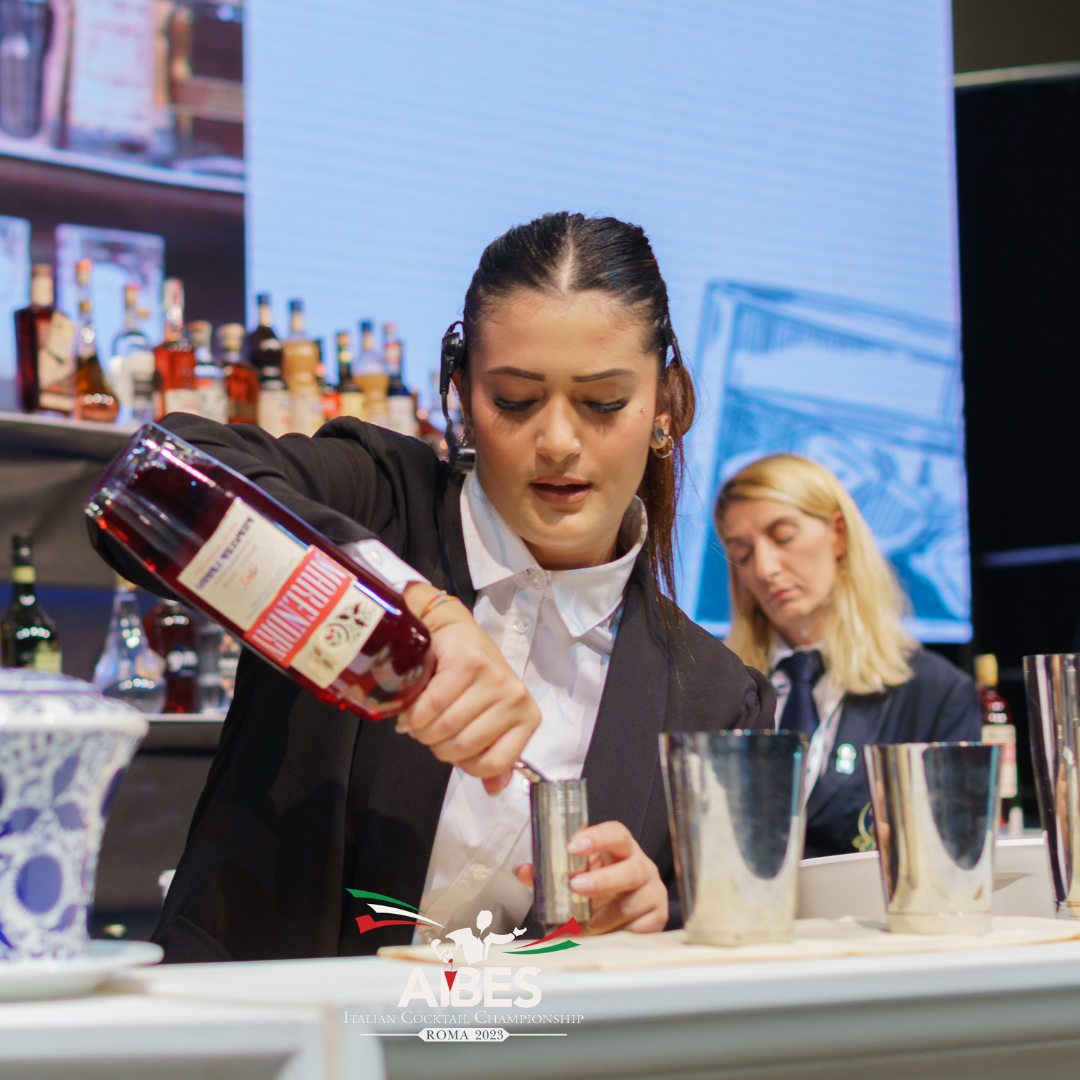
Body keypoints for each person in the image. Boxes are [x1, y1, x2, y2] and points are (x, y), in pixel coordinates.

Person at [91, 212, 774, 963]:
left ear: (665, 408)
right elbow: (151, 483)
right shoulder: (376, 498)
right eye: (514, 399)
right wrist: (412, 609)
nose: (556, 441)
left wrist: (657, 920)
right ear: (463, 394)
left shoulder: (713, 697)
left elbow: (723, 959)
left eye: (603, 402)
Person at [713, 453, 981, 859]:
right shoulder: (719, 687)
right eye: (743, 553)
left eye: (783, 536)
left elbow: (956, 857)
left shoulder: (937, 693)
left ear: (838, 534)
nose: (765, 569)